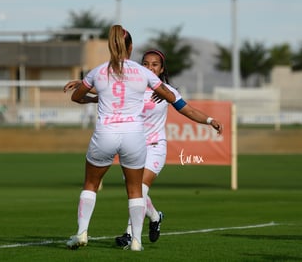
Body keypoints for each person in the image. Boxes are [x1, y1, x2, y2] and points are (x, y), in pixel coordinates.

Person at [64, 49, 223, 248]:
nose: (149, 67)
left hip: (155, 147)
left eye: (154, 64)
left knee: (139, 190)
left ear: (162, 68)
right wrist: (81, 85)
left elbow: (188, 110)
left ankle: (130, 235)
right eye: (146, 64)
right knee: (137, 193)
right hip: (133, 145)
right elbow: (105, 92)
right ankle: (155, 217)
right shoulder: (134, 84)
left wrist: (209, 120)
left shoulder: (166, 91)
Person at [65, 25, 182, 252]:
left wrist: (92, 98)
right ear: (131, 47)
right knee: (135, 190)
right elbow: (169, 95)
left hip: (105, 133)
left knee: (90, 184)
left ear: (110, 46)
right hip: (134, 136)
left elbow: (76, 97)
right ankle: (136, 241)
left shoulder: (98, 71)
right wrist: (165, 95)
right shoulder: (142, 72)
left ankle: (81, 233)